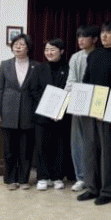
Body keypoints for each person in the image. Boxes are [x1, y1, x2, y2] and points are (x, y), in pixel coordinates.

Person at [77, 20, 111, 205]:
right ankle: (92, 187)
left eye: (109, 32)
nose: (104, 36)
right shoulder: (94, 54)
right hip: (91, 106)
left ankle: (108, 190)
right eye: (103, 32)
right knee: (89, 149)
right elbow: (86, 80)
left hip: (110, 107)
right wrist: (83, 105)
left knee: (108, 152)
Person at [0, 33, 40, 190]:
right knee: (9, 150)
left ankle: (24, 179)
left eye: (22, 44)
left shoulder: (36, 66)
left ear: (28, 47)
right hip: (8, 112)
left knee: (26, 150)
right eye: (15, 45)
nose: (18, 47)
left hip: (29, 112)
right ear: (12, 47)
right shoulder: (5, 65)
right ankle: (11, 179)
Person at [32, 38, 70, 191]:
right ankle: (42, 177)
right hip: (43, 114)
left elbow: (70, 90)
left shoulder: (68, 69)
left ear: (61, 51)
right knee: (42, 146)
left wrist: (59, 109)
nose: (49, 52)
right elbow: (34, 90)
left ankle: (57, 177)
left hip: (61, 116)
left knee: (59, 146)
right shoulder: (39, 68)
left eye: (53, 49)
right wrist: (49, 107)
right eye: (47, 50)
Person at [65, 24, 100, 192]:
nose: (80, 40)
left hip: (96, 104)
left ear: (94, 39)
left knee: (94, 144)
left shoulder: (100, 55)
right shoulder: (75, 57)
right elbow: (70, 82)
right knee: (77, 142)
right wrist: (63, 104)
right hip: (77, 103)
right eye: (78, 37)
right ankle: (81, 177)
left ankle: (94, 179)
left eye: (84, 37)